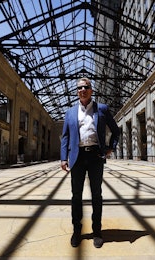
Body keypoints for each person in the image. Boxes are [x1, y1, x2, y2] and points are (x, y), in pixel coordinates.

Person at [60, 77, 120, 248]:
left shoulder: (102, 109)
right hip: (77, 157)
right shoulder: (70, 112)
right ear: (77, 92)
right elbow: (65, 137)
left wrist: (111, 148)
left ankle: (97, 231)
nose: (83, 90)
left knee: (96, 195)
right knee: (76, 196)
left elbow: (116, 131)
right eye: (79, 88)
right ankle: (77, 231)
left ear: (91, 90)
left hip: (95, 157)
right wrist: (64, 158)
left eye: (86, 87)